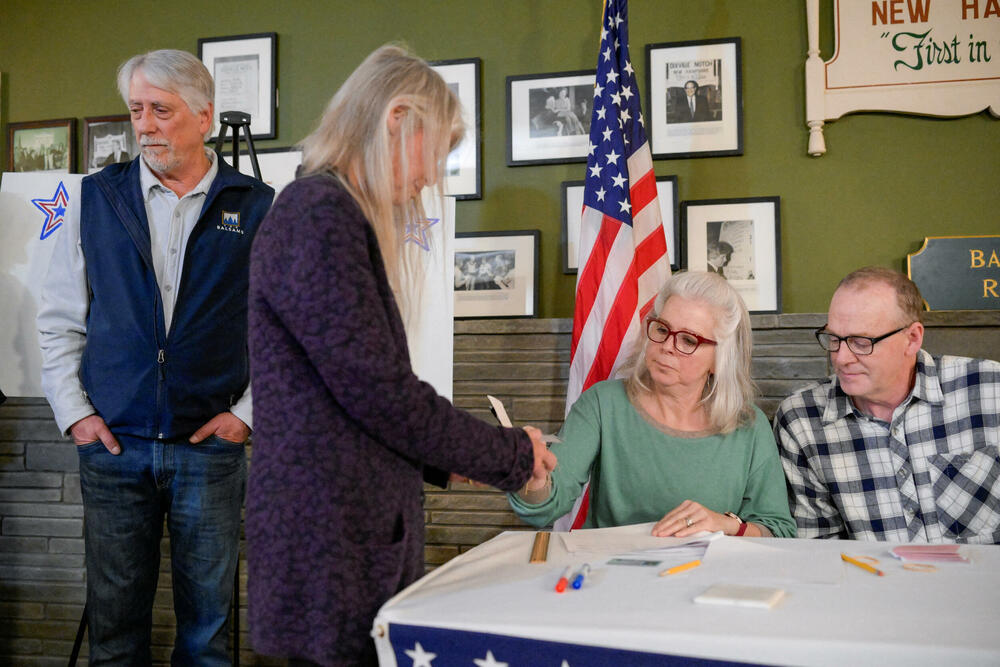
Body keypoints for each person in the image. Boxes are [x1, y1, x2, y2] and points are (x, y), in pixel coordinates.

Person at [244, 44, 556, 667]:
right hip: (332, 543)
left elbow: (355, 399)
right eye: (435, 153)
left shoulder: (329, 213)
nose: (434, 177)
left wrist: (448, 463)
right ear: (396, 119)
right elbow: (379, 391)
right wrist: (511, 455)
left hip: (345, 535)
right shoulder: (317, 215)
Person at [37, 49, 274, 664]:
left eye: (161, 111)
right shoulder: (94, 199)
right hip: (114, 446)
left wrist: (247, 414)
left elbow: (285, 330)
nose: (144, 125)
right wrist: (75, 415)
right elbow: (60, 320)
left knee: (208, 631)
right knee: (114, 632)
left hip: (210, 449)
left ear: (204, 116)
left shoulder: (259, 206)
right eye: (137, 110)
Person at [509, 271, 795, 538]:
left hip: (708, 580)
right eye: (662, 329)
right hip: (612, 576)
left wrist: (725, 524)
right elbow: (544, 508)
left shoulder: (749, 425)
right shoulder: (602, 403)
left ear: (720, 360)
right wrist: (534, 479)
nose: (667, 346)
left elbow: (778, 529)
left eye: (688, 340)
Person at [774, 267, 1000, 543]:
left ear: (912, 338)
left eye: (861, 342)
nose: (842, 358)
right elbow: (819, 551)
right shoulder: (801, 420)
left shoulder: (989, 388)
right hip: (872, 584)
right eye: (834, 339)